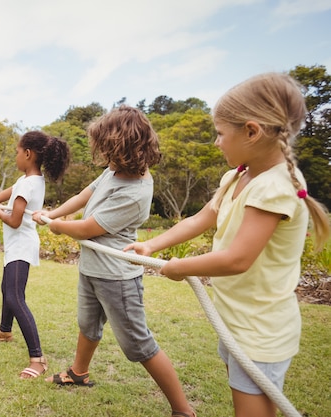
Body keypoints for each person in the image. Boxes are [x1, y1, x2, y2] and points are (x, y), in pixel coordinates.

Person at [125, 73, 330, 417]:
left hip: (260, 331)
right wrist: (152, 246)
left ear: (252, 131)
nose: (217, 142)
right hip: (236, 322)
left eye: (221, 133)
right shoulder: (238, 175)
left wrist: (178, 268)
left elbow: (237, 259)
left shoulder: (274, 187)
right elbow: (201, 218)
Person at [33, 106, 196, 417]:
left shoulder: (135, 190)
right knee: (88, 324)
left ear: (121, 146)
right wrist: (53, 213)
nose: (100, 151)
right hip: (93, 269)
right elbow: (84, 194)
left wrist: (56, 225)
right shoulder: (113, 170)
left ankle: (182, 410)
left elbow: (88, 228)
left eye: (105, 145)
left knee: (138, 343)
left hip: (117, 278)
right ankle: (78, 373)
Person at [0, 131, 70, 379]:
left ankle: (38, 358)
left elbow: (15, 220)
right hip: (18, 246)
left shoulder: (28, 184)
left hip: (20, 245)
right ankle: (5, 332)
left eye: (17, 152)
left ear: (28, 154)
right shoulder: (30, 180)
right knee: (6, 289)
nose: (16, 157)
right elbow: (4, 194)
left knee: (14, 296)